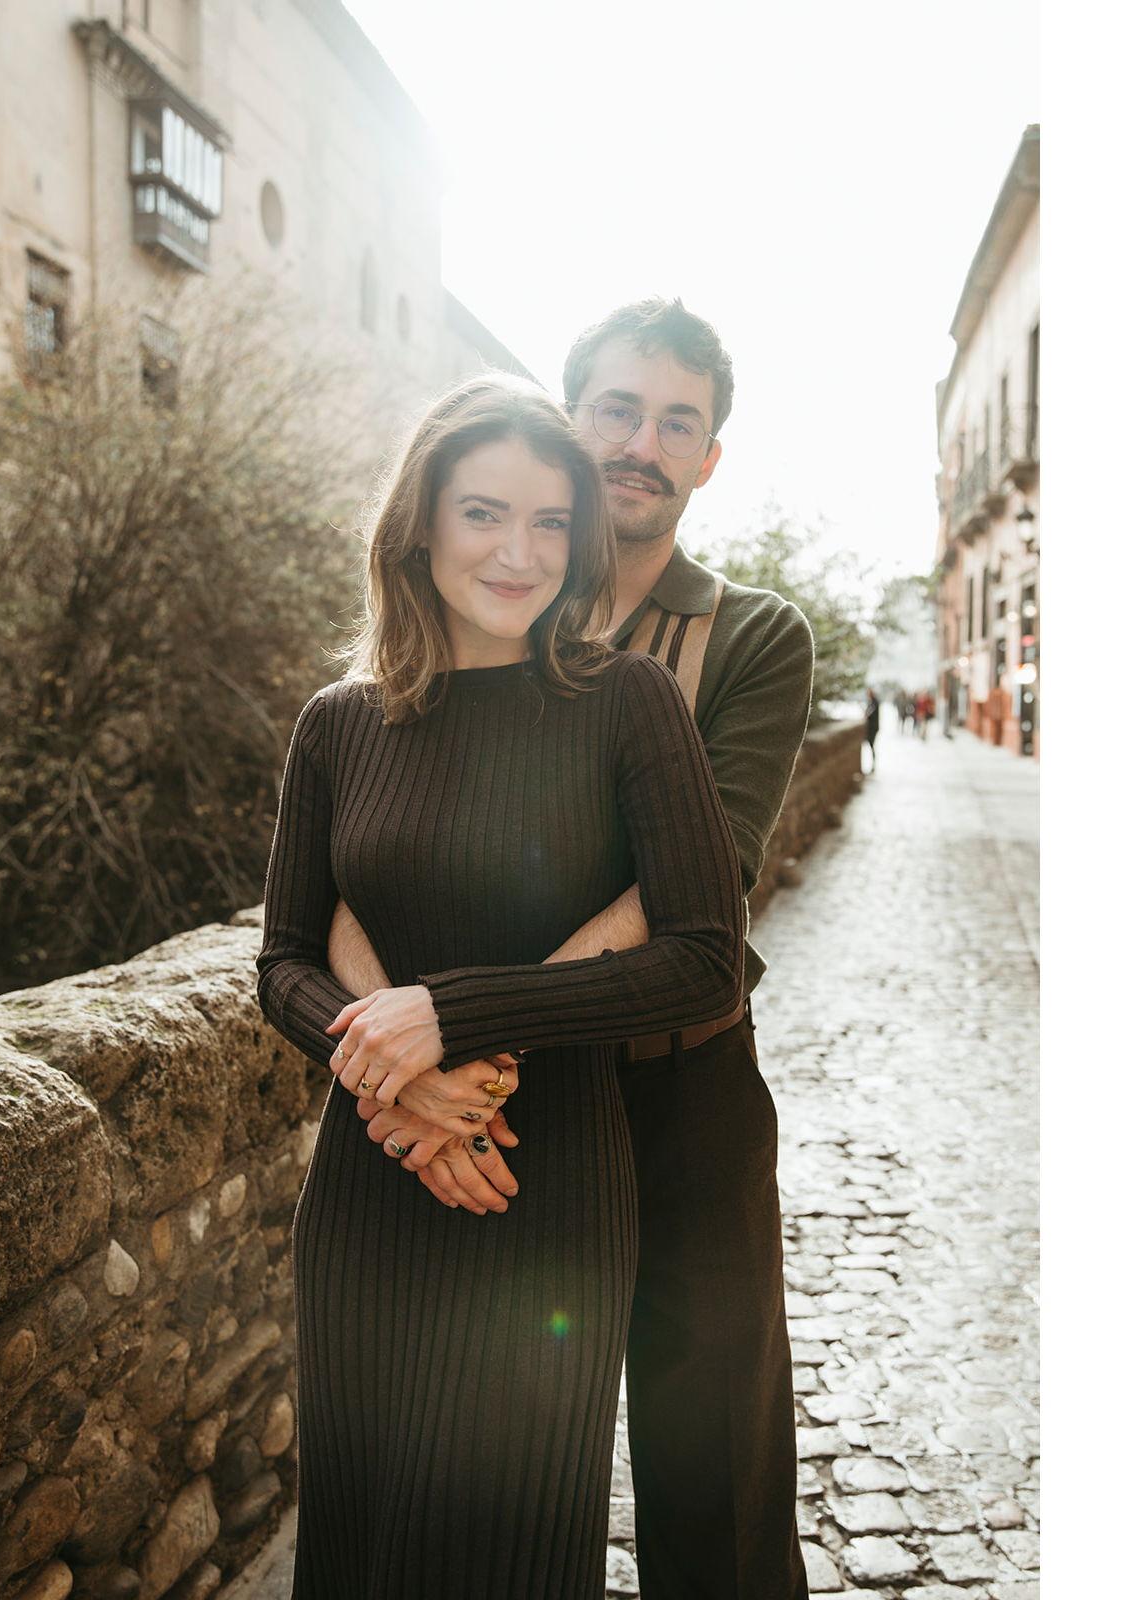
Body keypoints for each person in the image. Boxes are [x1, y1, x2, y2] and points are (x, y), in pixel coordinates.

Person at [332, 300, 816, 1599]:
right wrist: (409, 1078)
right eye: (617, 409)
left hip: (677, 1093)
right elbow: (356, 846)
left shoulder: (751, 636)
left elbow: (705, 877)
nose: (642, 445)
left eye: (677, 423)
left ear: (709, 456)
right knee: (488, 1474)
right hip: (507, 1115)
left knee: (714, 1478)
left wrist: (467, 1037)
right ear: (568, 415)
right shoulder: (486, 594)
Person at [864, 687, 880, 772]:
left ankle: (873, 764)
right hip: (871, 727)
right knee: (871, 746)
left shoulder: (874, 702)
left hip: (873, 727)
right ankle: (872, 764)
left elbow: (869, 713)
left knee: (872, 745)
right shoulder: (871, 701)